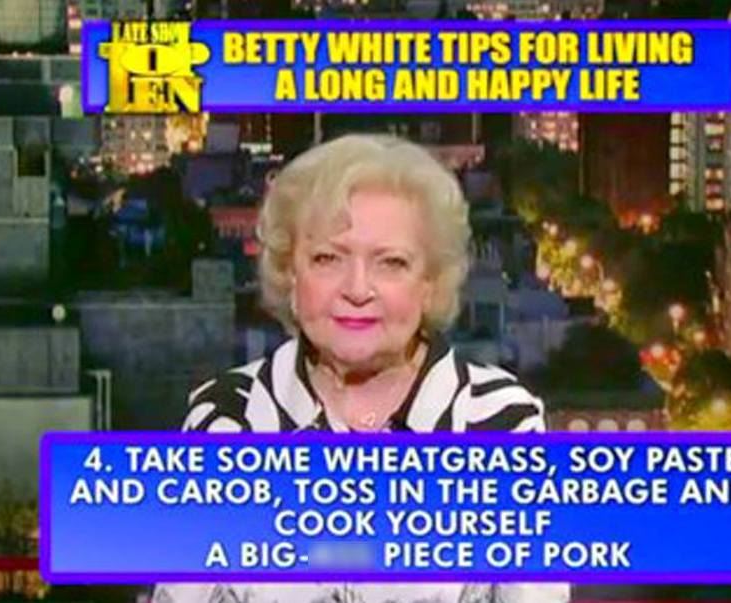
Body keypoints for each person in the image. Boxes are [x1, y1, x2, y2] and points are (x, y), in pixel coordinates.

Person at [153, 134, 570, 603]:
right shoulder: (226, 417)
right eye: (327, 259)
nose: (357, 289)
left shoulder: (502, 421)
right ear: (291, 276)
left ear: (429, 283)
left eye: (390, 263)